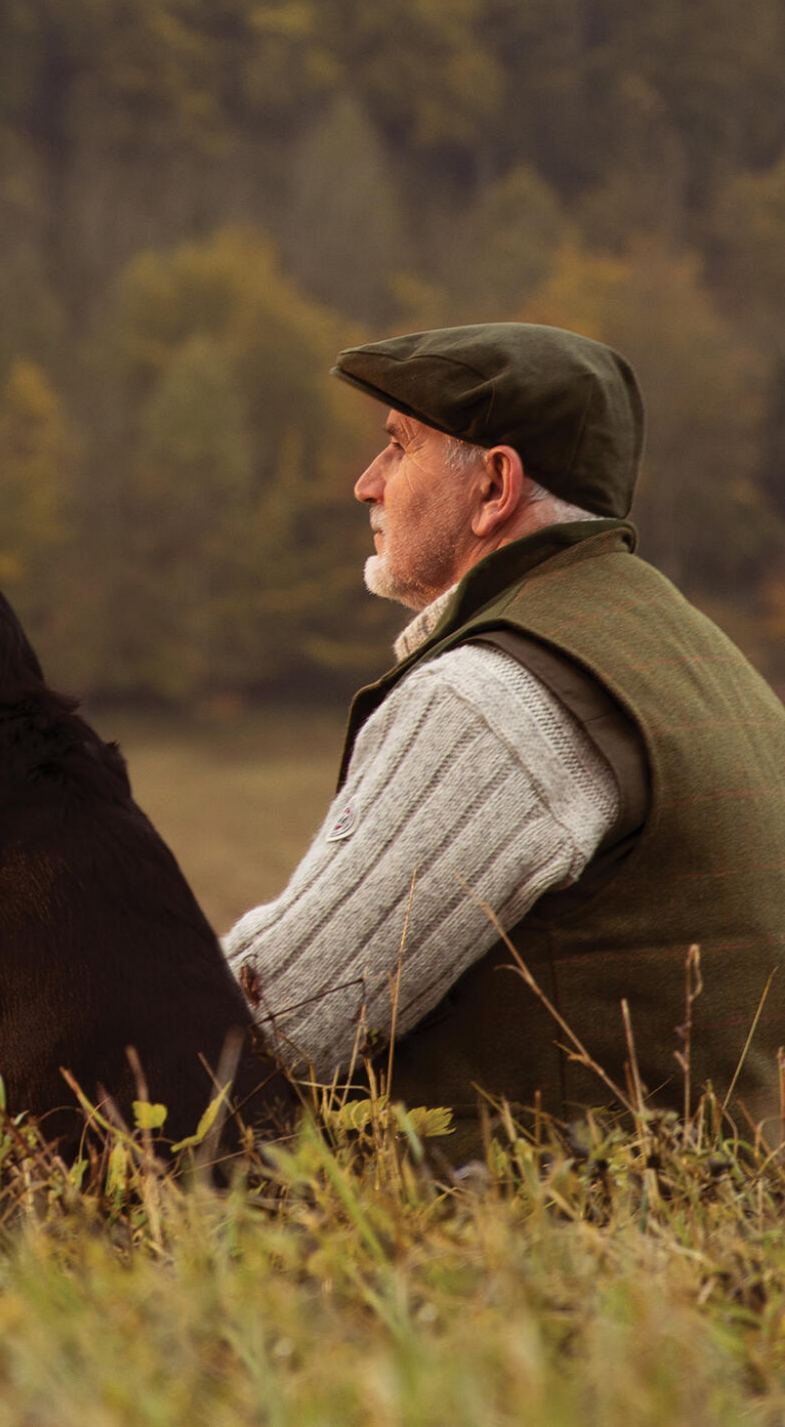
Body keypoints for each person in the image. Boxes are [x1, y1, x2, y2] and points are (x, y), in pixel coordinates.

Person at [225, 322, 785, 1145]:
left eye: (398, 448)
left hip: (510, 1237)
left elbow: (287, 1009)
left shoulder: (491, 694)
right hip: (700, 1223)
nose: (365, 484)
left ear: (495, 486)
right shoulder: (705, 664)